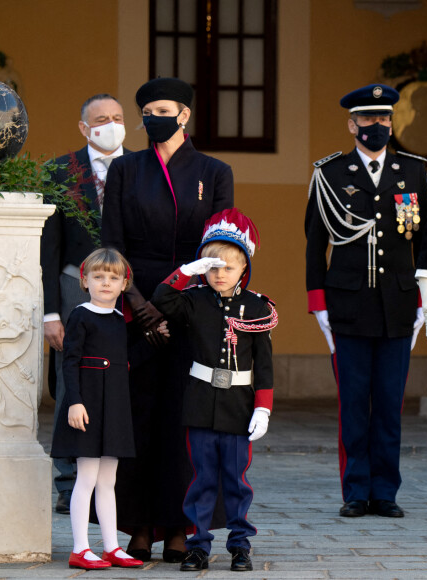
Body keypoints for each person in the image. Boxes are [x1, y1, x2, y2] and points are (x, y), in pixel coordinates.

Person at [102, 77, 234, 562]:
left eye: (165, 108)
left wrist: (183, 298)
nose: (155, 116)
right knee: (138, 415)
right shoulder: (125, 169)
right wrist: (139, 305)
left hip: (194, 302)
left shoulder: (214, 171)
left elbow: (221, 247)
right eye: (148, 109)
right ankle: (137, 525)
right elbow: (111, 243)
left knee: (185, 418)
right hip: (135, 303)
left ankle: (181, 525)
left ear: (184, 115)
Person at [305, 83, 427, 518]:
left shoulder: (413, 171)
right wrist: (317, 303)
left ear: (392, 122)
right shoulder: (330, 174)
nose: (377, 126)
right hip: (348, 305)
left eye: (384, 119)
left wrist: (425, 302)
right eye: (368, 119)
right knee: (355, 402)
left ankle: (386, 492)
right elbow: (314, 243)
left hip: (398, 305)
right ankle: (356, 490)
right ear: (351, 123)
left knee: (390, 404)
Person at [151, 208, 277, 572]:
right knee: (202, 479)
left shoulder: (256, 308)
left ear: (244, 269)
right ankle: (198, 545)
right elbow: (162, 300)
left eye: (228, 267)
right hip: (201, 403)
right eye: (212, 266)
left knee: (236, 481)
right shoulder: (194, 298)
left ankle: (240, 544)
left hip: (239, 406)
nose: (219, 274)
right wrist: (184, 273)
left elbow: (264, 364)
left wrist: (263, 407)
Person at [41, 94, 128, 514]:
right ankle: (67, 481)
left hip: (130, 291)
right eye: (100, 120)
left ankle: (117, 481)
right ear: (83, 127)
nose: (110, 125)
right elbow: (49, 248)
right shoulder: (59, 171)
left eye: (117, 118)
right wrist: (51, 312)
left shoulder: (143, 167)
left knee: (122, 383)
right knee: (71, 378)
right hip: (75, 285)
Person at [50, 248, 143, 570]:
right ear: (84, 280)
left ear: (124, 284)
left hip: (113, 407)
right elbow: (71, 361)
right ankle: (80, 548)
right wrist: (74, 402)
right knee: (86, 477)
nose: (106, 283)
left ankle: (112, 547)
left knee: (108, 481)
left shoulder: (120, 320)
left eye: (113, 278)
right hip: (87, 405)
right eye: (99, 277)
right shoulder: (81, 314)